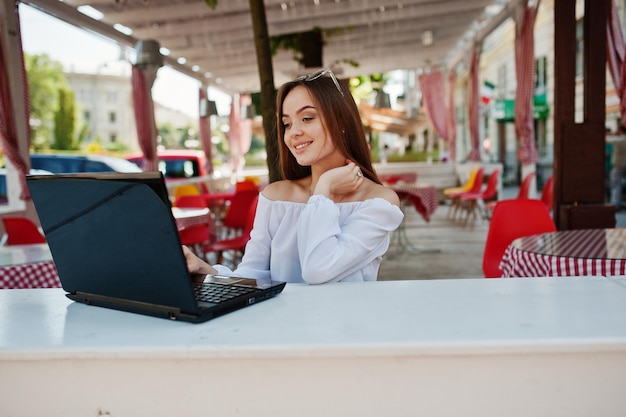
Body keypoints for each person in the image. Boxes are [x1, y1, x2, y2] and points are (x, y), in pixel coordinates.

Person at [184, 68, 404, 284]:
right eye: (287, 124)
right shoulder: (275, 197)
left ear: (342, 122)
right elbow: (252, 276)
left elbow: (318, 270)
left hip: (348, 321)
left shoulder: (379, 203)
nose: (293, 132)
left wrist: (323, 190)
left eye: (307, 118)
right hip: (281, 321)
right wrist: (202, 268)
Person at [608, 124, 626, 209]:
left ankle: (616, 203)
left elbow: (607, 140)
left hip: (618, 165)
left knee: (615, 185)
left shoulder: (619, 140)